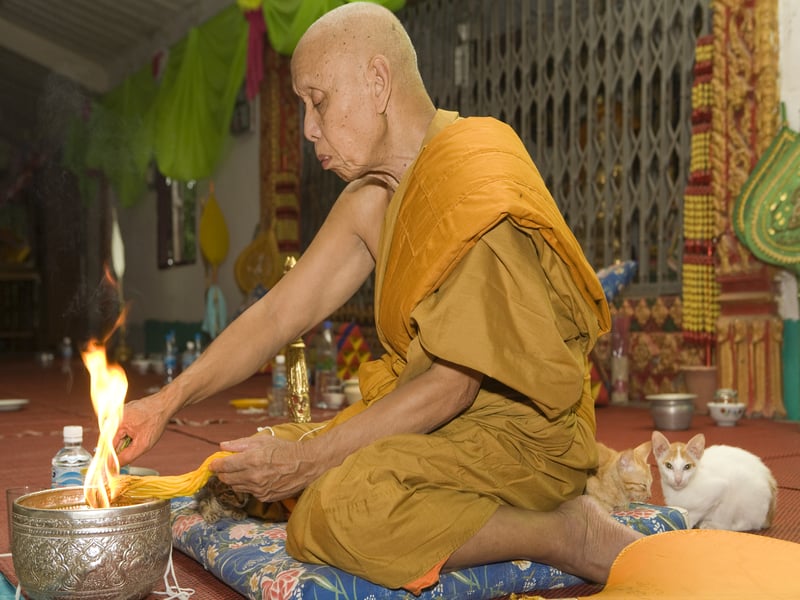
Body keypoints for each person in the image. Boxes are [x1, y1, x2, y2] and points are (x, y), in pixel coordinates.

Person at [115, 2, 641, 593]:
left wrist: (314, 463)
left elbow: (453, 383)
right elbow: (276, 314)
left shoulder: (471, 177)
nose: (309, 127)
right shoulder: (373, 198)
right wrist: (166, 401)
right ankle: (367, 483)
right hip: (442, 425)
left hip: (519, 435)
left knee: (336, 510)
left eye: (318, 101)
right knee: (255, 460)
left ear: (378, 82)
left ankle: (565, 533)